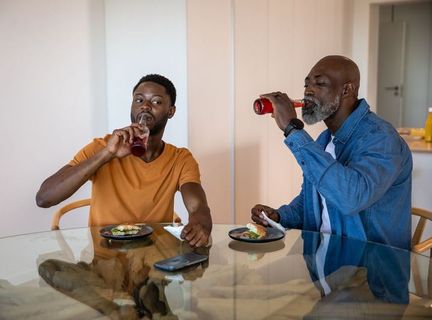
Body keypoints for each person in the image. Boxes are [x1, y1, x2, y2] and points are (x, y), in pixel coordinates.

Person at [251, 55, 412, 250]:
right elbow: (313, 200)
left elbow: (350, 198)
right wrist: (280, 216)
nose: (308, 90)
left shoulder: (381, 139)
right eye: (306, 84)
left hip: (370, 271)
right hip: (323, 267)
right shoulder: (324, 140)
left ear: (346, 90)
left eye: (319, 83)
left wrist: (293, 130)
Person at [36, 74, 212, 247]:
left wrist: (201, 224)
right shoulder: (102, 147)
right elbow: (44, 198)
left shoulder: (180, 158)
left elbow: (198, 207)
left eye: (156, 102)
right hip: (104, 262)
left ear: (171, 111)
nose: (145, 107)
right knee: (49, 266)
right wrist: (107, 154)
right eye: (139, 100)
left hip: (154, 264)